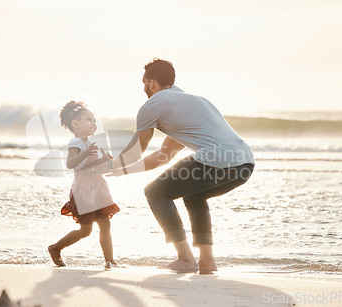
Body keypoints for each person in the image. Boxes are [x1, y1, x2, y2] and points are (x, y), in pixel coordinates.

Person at [96, 58, 255, 274]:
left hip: (216, 159)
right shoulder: (190, 103)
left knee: (155, 192)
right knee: (194, 196)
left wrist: (110, 164)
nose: (144, 89)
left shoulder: (152, 105)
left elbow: (137, 150)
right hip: (244, 164)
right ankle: (207, 261)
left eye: (144, 84)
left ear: (151, 83)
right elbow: (163, 156)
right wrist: (123, 170)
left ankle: (186, 259)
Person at [48, 101, 120, 268]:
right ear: (76, 124)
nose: (93, 123)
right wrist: (86, 153)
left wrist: (109, 161)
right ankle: (55, 248)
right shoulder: (76, 144)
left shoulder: (92, 143)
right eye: (89, 120)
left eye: (94, 120)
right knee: (85, 231)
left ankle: (110, 260)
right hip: (84, 192)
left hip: (99, 189)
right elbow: (71, 163)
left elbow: (100, 165)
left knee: (105, 225)